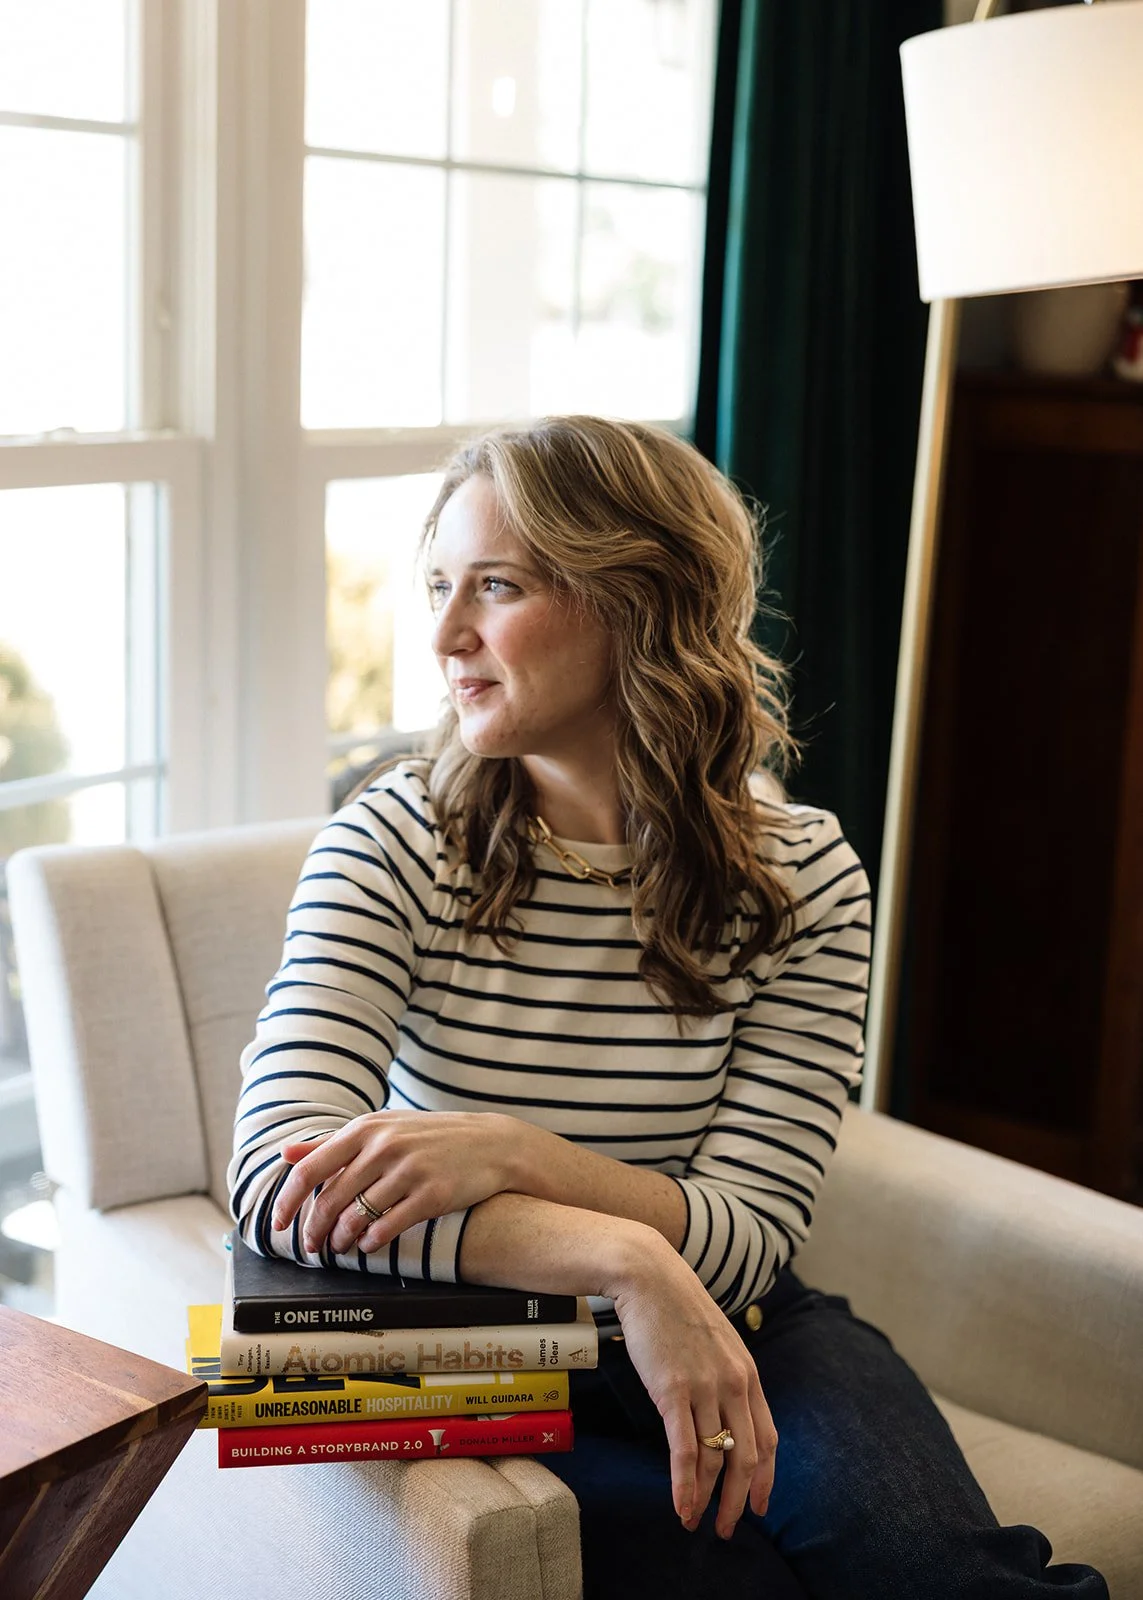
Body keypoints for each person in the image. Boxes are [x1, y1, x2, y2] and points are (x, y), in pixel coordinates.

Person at [227, 416, 1108, 1600]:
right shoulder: (391, 843)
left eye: (496, 585)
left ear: (636, 601)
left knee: (942, 1575)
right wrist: (626, 1254)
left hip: (742, 1314)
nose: (443, 636)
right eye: (440, 586)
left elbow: (749, 1230)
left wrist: (514, 1153)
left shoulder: (804, 878)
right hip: (463, 1327)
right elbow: (279, 1183)